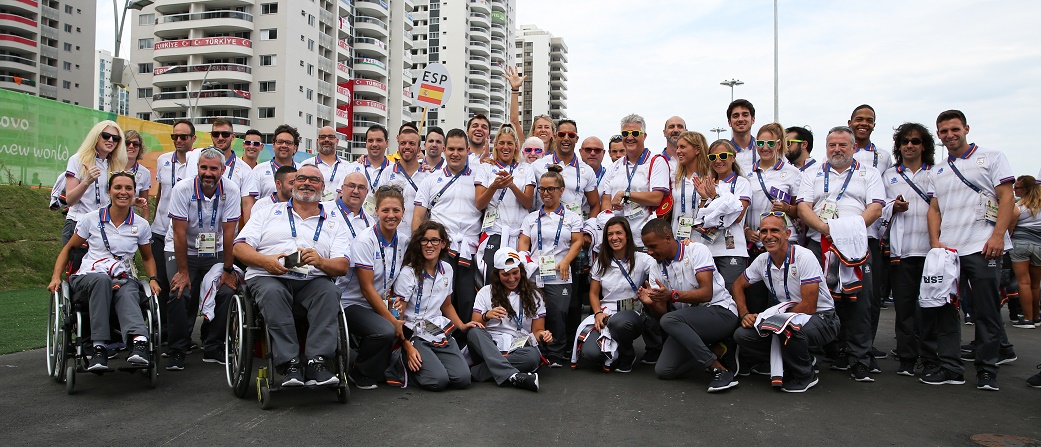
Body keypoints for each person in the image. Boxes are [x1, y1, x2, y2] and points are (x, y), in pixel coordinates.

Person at [233, 164, 350, 388]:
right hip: (270, 277)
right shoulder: (267, 212)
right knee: (272, 292)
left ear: (323, 187)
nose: (307, 183)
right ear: (293, 184)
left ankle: (318, 363)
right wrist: (265, 261)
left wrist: (321, 262)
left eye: (314, 180)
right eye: (301, 178)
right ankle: (290, 364)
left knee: (330, 291)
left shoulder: (334, 222)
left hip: (312, 281)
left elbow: (342, 265)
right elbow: (239, 248)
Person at [927, 110, 1015, 391]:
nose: (950, 135)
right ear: (938, 135)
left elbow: (1006, 197)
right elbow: (934, 209)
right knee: (946, 310)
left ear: (966, 128)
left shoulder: (992, 157)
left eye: (954, 129)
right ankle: (951, 367)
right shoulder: (937, 170)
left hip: (983, 245)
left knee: (986, 311)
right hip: (950, 250)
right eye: (944, 131)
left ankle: (987, 369)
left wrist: (998, 236)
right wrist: (935, 244)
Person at [47, 171, 162, 370]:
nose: (123, 192)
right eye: (118, 187)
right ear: (109, 191)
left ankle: (140, 343)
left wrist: (153, 278)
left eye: (128, 188)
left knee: (128, 288)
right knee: (102, 281)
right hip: (89, 277)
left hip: (122, 276)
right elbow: (69, 249)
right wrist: (55, 277)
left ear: (134, 192)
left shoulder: (141, 225)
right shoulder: (90, 219)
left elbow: (147, 257)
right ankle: (98, 347)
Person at [796, 126, 884, 382]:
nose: (837, 149)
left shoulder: (870, 173)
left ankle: (860, 357)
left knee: (860, 300)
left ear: (854, 147)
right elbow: (803, 207)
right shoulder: (812, 173)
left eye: (843, 145)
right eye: (832, 145)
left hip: (856, 244)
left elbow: (876, 208)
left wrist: (847, 230)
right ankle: (831, 353)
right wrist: (827, 229)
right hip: (820, 243)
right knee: (822, 300)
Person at [731, 212, 840, 392]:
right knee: (742, 335)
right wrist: (744, 314)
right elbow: (737, 285)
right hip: (787, 318)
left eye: (775, 230)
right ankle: (795, 358)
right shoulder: (762, 260)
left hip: (822, 318)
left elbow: (809, 306)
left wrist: (772, 320)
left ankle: (805, 374)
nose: (768, 236)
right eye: (763, 231)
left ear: (787, 234)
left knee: (789, 330)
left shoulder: (804, 257)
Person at [640, 218, 740, 392]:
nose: (649, 252)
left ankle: (719, 369)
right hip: (687, 323)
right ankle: (717, 350)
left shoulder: (696, 250)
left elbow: (706, 293)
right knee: (664, 370)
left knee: (671, 321)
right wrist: (652, 303)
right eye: (646, 247)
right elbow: (662, 314)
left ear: (667, 238)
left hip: (720, 312)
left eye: (653, 246)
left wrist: (672, 295)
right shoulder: (655, 266)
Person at [164, 147, 241, 370]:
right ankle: (178, 349)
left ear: (223, 170)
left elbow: (229, 232)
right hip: (181, 248)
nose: (208, 173)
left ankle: (213, 345)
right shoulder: (182, 189)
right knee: (179, 291)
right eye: (204, 167)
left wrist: (227, 270)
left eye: (213, 168)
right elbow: (178, 232)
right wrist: (183, 271)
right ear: (198, 167)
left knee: (227, 291)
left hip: (215, 249)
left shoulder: (232, 190)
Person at [391, 221, 476, 391]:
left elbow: (447, 305)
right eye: (424, 240)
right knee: (438, 381)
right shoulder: (408, 272)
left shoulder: (447, 269)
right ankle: (399, 364)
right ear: (419, 243)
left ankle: (431, 361)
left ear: (443, 243)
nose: (429, 245)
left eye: (434, 240)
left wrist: (462, 325)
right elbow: (397, 315)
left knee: (463, 378)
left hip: (436, 330)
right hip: (412, 333)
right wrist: (406, 345)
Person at [414, 128, 483, 331]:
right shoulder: (430, 180)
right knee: (440, 299)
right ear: (444, 150)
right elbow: (419, 217)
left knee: (467, 300)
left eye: (460, 149)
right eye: (451, 148)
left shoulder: (479, 178)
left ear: (468, 150)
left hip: (469, 249)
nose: (455, 153)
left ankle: (466, 345)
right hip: (440, 249)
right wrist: (416, 249)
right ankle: (442, 340)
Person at [341, 187, 410, 389]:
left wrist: (397, 300)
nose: (391, 215)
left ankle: (391, 366)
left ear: (403, 212)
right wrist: (392, 321)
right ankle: (359, 370)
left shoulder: (404, 241)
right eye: (385, 210)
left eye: (396, 210)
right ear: (376, 211)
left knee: (411, 323)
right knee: (386, 330)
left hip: (380, 302)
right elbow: (366, 289)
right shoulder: (365, 241)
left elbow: (398, 276)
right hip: (354, 303)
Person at [881, 123, 936, 377]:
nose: (910, 146)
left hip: (931, 251)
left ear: (924, 145)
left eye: (915, 141)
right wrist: (893, 206)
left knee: (930, 307)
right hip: (901, 252)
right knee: (903, 308)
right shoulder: (889, 175)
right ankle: (906, 357)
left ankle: (930, 357)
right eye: (905, 142)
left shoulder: (936, 172)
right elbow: (878, 207)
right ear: (899, 146)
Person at [575, 216, 663, 372]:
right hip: (606, 313)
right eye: (610, 234)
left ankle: (627, 354)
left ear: (627, 235)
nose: (614, 238)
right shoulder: (600, 262)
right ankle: (614, 351)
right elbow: (594, 294)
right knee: (590, 354)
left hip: (631, 314)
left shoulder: (643, 259)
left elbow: (661, 263)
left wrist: (685, 245)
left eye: (619, 233)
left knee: (619, 323)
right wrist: (597, 313)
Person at [518, 165, 583, 367]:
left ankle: (556, 354)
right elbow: (523, 244)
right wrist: (526, 262)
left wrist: (565, 261)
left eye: (551, 189)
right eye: (542, 189)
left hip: (560, 274)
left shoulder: (572, 217)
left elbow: (578, 241)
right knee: (535, 313)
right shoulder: (531, 218)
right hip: (534, 275)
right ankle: (538, 350)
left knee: (558, 313)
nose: (546, 193)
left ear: (561, 190)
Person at [468, 247, 549, 392]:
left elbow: (537, 331)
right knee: (474, 332)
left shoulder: (535, 295)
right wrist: (486, 316)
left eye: (515, 273)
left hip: (517, 348)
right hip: (488, 346)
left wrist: (543, 335)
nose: (512, 279)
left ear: (521, 271)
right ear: (497, 274)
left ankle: (473, 373)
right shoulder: (485, 292)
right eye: (505, 274)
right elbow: (475, 323)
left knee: (531, 357)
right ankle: (513, 374)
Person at [849, 105, 893, 363]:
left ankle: (868, 343)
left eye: (869, 120)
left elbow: (884, 195)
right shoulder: (838, 151)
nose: (863, 123)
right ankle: (843, 344)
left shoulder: (883, 157)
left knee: (870, 294)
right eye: (859, 119)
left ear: (874, 125)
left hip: (871, 235)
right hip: (840, 235)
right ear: (850, 122)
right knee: (842, 291)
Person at [475, 124, 536, 283]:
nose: (505, 147)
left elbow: (528, 203)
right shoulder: (486, 167)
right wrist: (494, 186)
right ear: (495, 145)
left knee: (517, 281)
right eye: (501, 143)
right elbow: (479, 204)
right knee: (491, 280)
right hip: (494, 231)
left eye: (510, 143)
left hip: (519, 234)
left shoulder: (526, 168)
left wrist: (512, 185)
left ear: (516, 145)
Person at [601, 114, 670, 247]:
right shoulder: (614, 167)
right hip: (618, 240)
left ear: (644, 136)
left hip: (644, 239)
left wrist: (625, 194)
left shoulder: (656, 162)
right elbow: (606, 201)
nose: (630, 137)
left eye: (635, 133)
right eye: (626, 133)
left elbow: (656, 198)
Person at [153, 119, 194, 341]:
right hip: (160, 229)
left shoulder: (196, 162)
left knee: (183, 285)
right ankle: (164, 332)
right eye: (174, 136)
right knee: (161, 282)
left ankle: (183, 334)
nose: (178, 140)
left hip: (184, 233)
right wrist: (154, 219)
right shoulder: (162, 160)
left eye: (183, 137)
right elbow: (161, 192)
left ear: (193, 139)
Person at [62, 120, 129, 245]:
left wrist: (131, 201)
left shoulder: (114, 164)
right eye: (105, 136)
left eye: (115, 138)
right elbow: (70, 199)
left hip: (104, 225)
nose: (110, 140)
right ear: (96, 136)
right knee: (76, 264)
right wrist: (86, 181)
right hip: (79, 223)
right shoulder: (78, 159)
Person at [186, 118, 258, 224]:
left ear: (233, 137)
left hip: (227, 231)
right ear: (211, 136)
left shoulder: (245, 169)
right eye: (216, 134)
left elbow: (247, 205)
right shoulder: (195, 157)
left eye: (225, 134)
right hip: (195, 230)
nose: (220, 138)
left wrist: (249, 236)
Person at [531, 119, 601, 219]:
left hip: (573, 229)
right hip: (543, 228)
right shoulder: (537, 165)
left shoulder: (587, 170)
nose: (566, 138)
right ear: (555, 137)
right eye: (562, 134)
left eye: (571, 135)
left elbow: (595, 205)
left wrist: (588, 230)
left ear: (576, 139)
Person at [705, 140, 751, 292]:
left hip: (733, 250)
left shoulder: (741, 183)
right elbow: (703, 218)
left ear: (733, 157)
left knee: (731, 293)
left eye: (723, 155)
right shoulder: (708, 183)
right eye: (713, 157)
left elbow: (738, 216)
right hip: (708, 249)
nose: (718, 161)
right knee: (710, 296)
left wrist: (714, 198)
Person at [374, 127, 429, 230]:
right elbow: (377, 204)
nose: (407, 147)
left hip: (418, 239)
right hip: (392, 237)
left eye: (412, 143)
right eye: (403, 143)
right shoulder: (387, 172)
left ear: (419, 149)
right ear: (398, 147)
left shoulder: (428, 175)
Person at [1010, 175, 1041, 328]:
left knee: (1023, 282)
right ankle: (1036, 317)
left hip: (1021, 244)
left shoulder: (1019, 206)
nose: (1014, 190)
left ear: (1026, 189)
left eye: (1017, 187)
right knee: (1036, 284)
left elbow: (1013, 217)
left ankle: (1027, 319)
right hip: (1039, 245)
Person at [669, 131, 711, 241]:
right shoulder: (674, 178)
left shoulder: (710, 178)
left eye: (682, 147)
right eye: (677, 147)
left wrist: (705, 198)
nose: (678, 151)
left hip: (702, 242)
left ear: (697, 150)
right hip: (677, 240)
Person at [504, 65, 555, 155]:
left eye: (547, 127)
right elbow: (514, 121)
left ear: (553, 133)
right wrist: (515, 89)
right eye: (539, 127)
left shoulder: (557, 155)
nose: (543, 130)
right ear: (533, 131)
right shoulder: (525, 147)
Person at [302, 126, 349, 201]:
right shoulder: (306, 165)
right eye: (323, 137)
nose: (326, 140)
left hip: (340, 210)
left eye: (330, 137)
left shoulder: (348, 167)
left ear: (337, 141)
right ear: (317, 141)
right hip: (313, 209)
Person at [254, 124, 300, 200]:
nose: (284, 145)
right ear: (273, 146)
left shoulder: (302, 170)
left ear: (295, 148)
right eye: (280, 142)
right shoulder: (259, 170)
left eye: (288, 143)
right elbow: (251, 202)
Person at [325, 172, 370, 245]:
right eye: (351, 186)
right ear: (342, 188)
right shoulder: (324, 210)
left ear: (366, 192)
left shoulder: (370, 222)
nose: (356, 191)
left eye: (361, 187)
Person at [123, 130, 152, 220]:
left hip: (129, 220)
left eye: (135, 144)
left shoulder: (145, 172)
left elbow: (144, 203)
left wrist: (145, 224)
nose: (131, 146)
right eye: (127, 143)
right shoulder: (110, 166)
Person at [726, 99, 758, 174]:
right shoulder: (724, 153)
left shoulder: (764, 150)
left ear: (753, 120)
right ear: (729, 122)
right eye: (736, 116)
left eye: (745, 115)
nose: (740, 119)